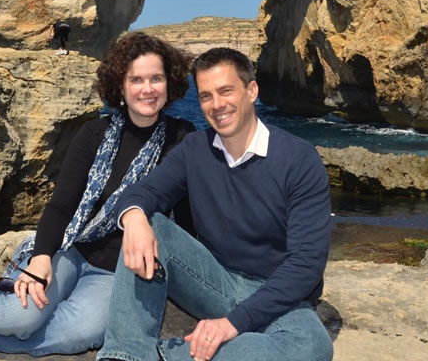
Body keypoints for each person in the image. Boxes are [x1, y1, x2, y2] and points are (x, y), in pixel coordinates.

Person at [0, 32, 197, 357]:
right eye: (136, 79)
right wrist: (42, 257)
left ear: (169, 82)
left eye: (156, 78)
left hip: (118, 272)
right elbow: (60, 206)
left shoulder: (183, 138)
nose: (147, 89)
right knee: (21, 314)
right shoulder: (94, 134)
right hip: (71, 249)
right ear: (120, 85)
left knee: (79, 332)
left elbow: (188, 217)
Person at [97, 47, 333, 361]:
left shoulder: (299, 159)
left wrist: (233, 324)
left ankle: (167, 356)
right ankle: (125, 354)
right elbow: (142, 192)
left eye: (226, 91)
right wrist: (135, 219)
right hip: (212, 280)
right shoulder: (194, 149)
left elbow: (305, 264)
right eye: (206, 96)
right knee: (147, 222)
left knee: (311, 347)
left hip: (277, 295)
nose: (216, 105)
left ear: (252, 91)